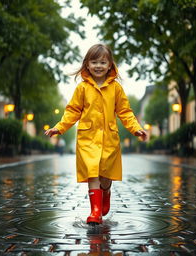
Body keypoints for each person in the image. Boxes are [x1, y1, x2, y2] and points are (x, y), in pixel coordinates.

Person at [44, 44, 147, 225]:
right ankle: (95, 211)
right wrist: (59, 128)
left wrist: (135, 128)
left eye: (102, 62)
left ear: (109, 65)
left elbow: (125, 112)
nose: (98, 66)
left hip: (109, 138)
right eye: (94, 62)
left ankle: (105, 192)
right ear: (87, 65)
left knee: (105, 176)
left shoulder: (116, 88)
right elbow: (72, 111)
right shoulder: (82, 88)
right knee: (93, 173)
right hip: (87, 138)